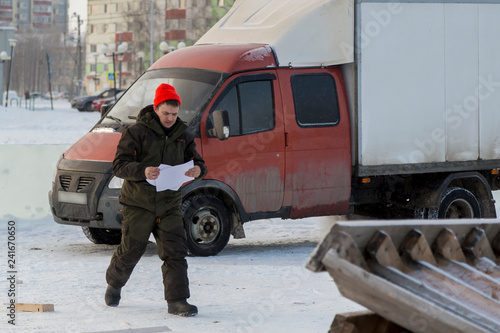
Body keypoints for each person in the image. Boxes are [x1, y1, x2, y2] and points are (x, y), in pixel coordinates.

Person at [104, 83, 207, 317]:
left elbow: (198, 162)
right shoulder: (136, 132)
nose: (170, 118)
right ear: (156, 109)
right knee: (131, 250)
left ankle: (178, 301)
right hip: (139, 203)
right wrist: (143, 171)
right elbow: (119, 165)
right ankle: (115, 283)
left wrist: (198, 171)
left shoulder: (183, 136)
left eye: (174, 114)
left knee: (175, 252)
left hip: (169, 205)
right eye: (166, 113)